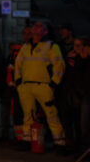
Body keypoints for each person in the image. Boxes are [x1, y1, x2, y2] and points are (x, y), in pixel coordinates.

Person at [14, 21, 68, 154]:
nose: (35, 28)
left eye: (39, 26)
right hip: (27, 86)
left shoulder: (51, 46)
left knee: (51, 114)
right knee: (28, 115)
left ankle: (60, 142)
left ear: (45, 31)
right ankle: (27, 140)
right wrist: (19, 82)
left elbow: (59, 65)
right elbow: (18, 65)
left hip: (43, 85)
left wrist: (54, 84)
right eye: (35, 26)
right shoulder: (26, 46)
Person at [63, 36, 90, 153]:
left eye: (79, 46)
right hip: (76, 94)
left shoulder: (86, 60)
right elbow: (72, 77)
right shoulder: (75, 60)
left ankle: (85, 147)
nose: (76, 48)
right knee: (77, 122)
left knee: (85, 123)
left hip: (87, 94)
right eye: (75, 46)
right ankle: (78, 146)